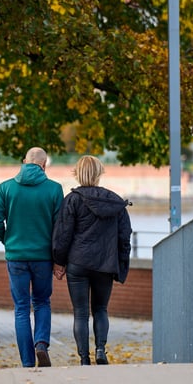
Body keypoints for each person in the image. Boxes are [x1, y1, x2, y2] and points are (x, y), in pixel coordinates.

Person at [52, 155, 132, 365]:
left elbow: (63, 235)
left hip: (78, 263)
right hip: (105, 264)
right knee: (101, 309)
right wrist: (121, 264)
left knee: (80, 313)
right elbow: (124, 236)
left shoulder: (72, 200)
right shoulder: (115, 202)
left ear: (77, 174)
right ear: (99, 173)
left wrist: (58, 262)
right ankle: (100, 350)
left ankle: (84, 359)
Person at [0, 147, 64, 368]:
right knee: (42, 302)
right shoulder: (54, 189)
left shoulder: (6, 188)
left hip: (17, 256)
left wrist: (7, 240)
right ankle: (41, 343)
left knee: (21, 308)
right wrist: (58, 258)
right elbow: (60, 228)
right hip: (43, 257)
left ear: (24, 162)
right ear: (44, 165)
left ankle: (27, 362)